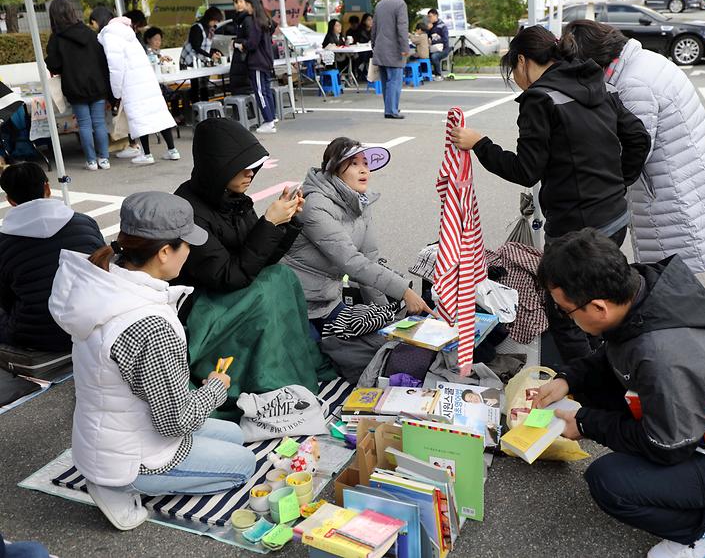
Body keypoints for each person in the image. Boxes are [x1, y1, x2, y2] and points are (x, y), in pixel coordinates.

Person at [533, 229, 705, 558]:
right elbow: (613, 356)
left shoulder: (663, 356)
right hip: (698, 422)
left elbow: (666, 446)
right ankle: (688, 483)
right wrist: (568, 379)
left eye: (565, 310)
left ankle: (704, 528)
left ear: (598, 307)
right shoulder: (639, 288)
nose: (565, 316)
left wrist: (586, 424)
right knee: (590, 392)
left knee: (608, 482)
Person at [49, 191, 255, 531]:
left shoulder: (105, 282)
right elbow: (175, 422)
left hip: (108, 435)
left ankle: (113, 475)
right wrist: (216, 388)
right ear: (163, 252)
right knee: (244, 464)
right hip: (130, 458)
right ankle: (116, 487)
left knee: (233, 433)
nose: (190, 251)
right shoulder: (149, 325)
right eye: (185, 244)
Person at [450, 26, 650, 365]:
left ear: (524, 61)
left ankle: (586, 380)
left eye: (513, 70)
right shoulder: (594, 81)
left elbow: (525, 170)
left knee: (564, 305)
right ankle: (614, 361)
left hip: (576, 226)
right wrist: (617, 181)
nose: (516, 78)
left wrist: (479, 144)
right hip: (615, 216)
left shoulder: (539, 99)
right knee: (600, 295)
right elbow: (638, 139)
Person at [563, 20, 705, 274]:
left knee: (671, 277)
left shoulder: (633, 85)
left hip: (672, 191)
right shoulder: (644, 61)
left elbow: (633, 149)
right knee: (677, 275)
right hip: (691, 175)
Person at [174, 118, 334, 419]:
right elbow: (228, 276)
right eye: (242, 166)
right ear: (217, 167)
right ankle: (265, 380)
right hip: (202, 304)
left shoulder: (233, 199)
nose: (251, 173)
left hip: (233, 287)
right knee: (267, 289)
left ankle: (282, 368)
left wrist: (288, 222)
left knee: (281, 277)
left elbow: (260, 259)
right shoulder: (188, 210)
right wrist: (269, 223)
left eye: (254, 165)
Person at [282, 137, 433, 335]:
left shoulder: (360, 201)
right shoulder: (314, 205)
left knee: (374, 343)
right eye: (354, 164)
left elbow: (369, 260)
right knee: (319, 362)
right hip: (296, 302)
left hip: (329, 300)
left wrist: (384, 319)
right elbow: (352, 262)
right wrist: (405, 291)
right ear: (332, 169)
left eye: (366, 164)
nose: (364, 170)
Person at [0, 162, 104, 352]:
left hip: (34, 335)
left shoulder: (3, 242)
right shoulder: (85, 223)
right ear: (47, 188)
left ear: (10, 200)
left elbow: (6, 299)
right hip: (92, 323)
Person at [99, 16, 179, 165]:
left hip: (131, 83)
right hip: (147, 80)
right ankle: (172, 150)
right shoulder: (130, 35)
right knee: (159, 114)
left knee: (139, 119)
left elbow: (115, 67)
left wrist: (116, 91)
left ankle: (147, 154)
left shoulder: (110, 36)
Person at [45, 0, 112, 171]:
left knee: (84, 124)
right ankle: (104, 159)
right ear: (71, 12)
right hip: (96, 85)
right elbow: (101, 58)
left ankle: (91, 161)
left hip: (74, 87)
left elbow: (54, 65)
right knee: (99, 123)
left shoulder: (56, 38)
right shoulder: (89, 33)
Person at [240, 0, 277, 134]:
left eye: (247, 4)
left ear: (252, 5)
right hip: (266, 61)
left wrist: (242, 45)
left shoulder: (256, 22)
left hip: (257, 62)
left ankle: (268, 121)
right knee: (266, 91)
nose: (246, 8)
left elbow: (252, 44)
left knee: (260, 92)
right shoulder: (265, 20)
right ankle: (271, 118)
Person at [371, 0, 409, 119]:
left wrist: (373, 44)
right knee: (394, 81)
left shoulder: (380, 4)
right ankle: (392, 110)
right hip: (394, 50)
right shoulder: (400, 4)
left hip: (380, 49)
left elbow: (374, 27)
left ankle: (389, 108)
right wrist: (405, 48)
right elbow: (402, 28)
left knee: (386, 81)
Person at [180, 7, 224, 104]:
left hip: (201, 60)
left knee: (204, 84)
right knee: (195, 85)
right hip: (190, 61)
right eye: (215, 20)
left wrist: (212, 53)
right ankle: (197, 108)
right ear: (210, 18)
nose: (215, 23)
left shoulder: (209, 29)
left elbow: (205, 46)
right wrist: (210, 55)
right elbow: (196, 47)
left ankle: (206, 105)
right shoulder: (196, 28)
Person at [229, 0, 252, 96]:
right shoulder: (238, 20)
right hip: (239, 59)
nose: (238, 4)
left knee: (246, 89)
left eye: (241, 1)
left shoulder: (248, 19)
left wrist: (236, 43)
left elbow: (250, 40)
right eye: (235, 2)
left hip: (246, 59)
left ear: (246, 3)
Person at [427, 8, 450, 77]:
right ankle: (427, 74)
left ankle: (438, 74)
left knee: (434, 56)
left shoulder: (442, 26)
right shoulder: (430, 26)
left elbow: (445, 39)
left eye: (430, 16)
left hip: (443, 49)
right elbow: (426, 37)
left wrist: (434, 41)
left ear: (435, 15)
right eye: (428, 17)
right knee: (423, 55)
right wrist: (428, 30)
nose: (429, 18)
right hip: (432, 49)